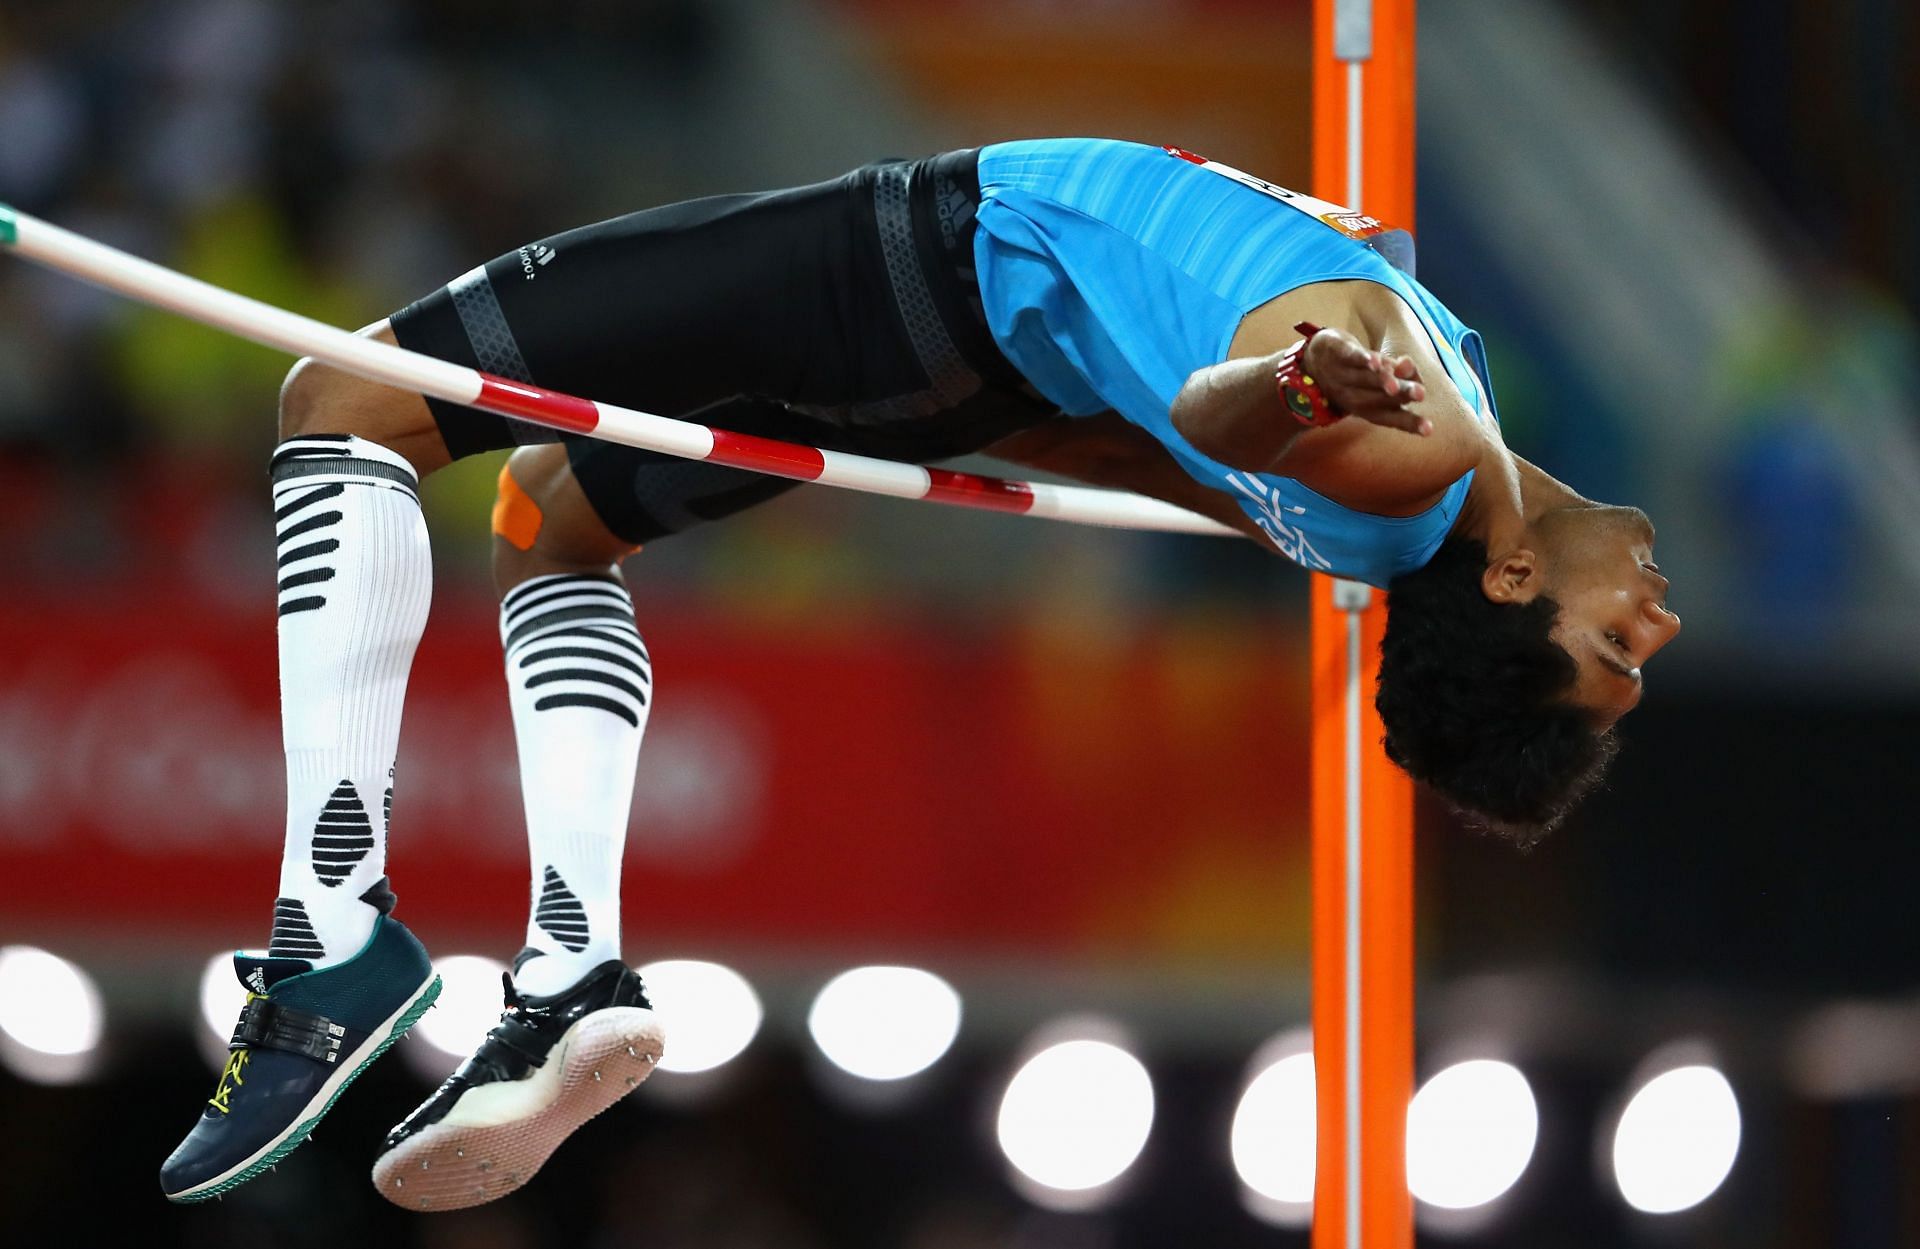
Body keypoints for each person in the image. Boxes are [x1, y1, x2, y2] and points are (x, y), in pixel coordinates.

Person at [158, 138, 1680, 1210]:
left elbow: (1214, 415)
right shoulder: (1381, 528)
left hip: (905, 267)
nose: (1655, 623)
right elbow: (1131, 424)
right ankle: (563, 980)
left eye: (1610, 648)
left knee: (348, 399)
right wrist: (923, 413)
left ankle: (327, 939)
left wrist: (1284, 384)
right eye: (1639, 653)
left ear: (1515, 582)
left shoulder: (1403, 449)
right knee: (550, 528)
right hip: (951, 358)